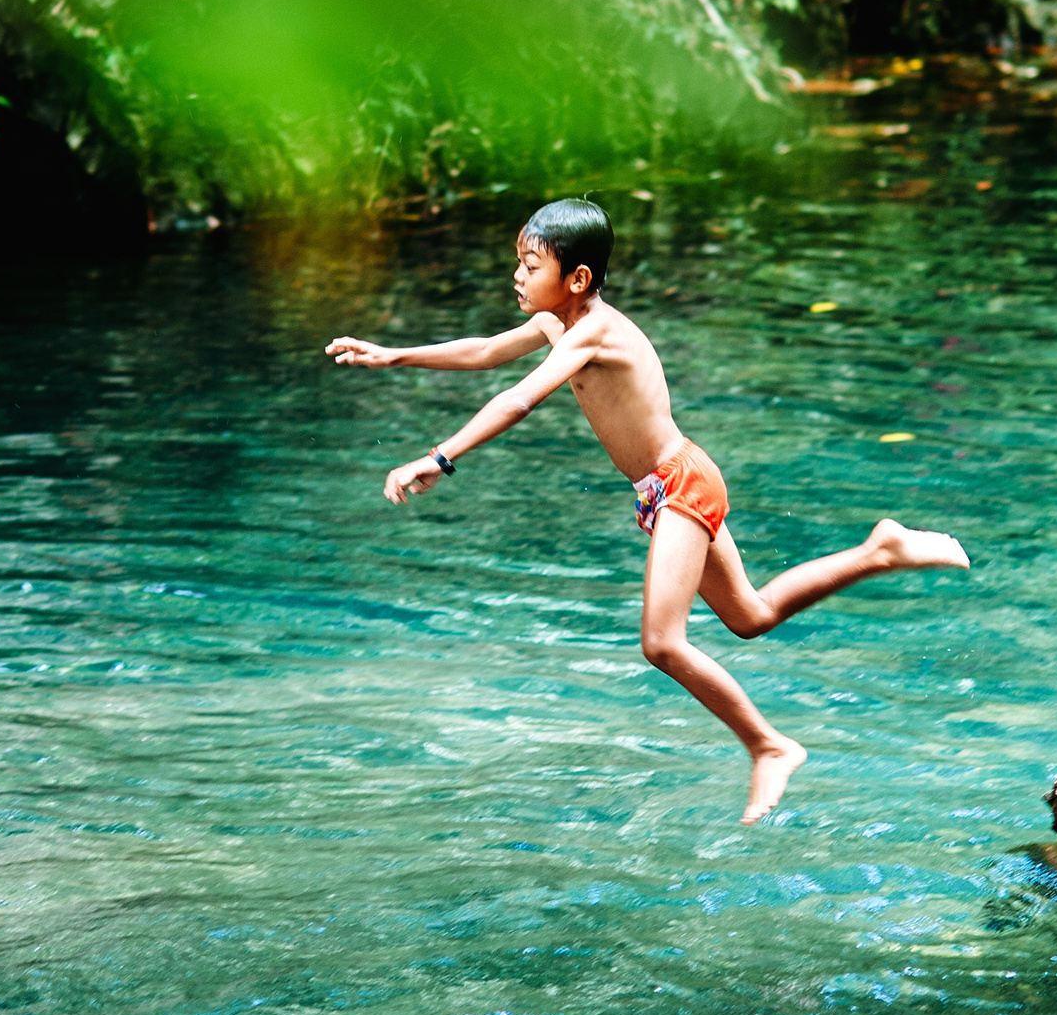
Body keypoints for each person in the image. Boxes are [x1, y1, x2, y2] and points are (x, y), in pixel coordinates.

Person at [325, 198, 969, 824]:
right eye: (518, 261)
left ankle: (769, 745)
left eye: (530, 265)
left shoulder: (596, 331)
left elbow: (519, 398)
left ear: (577, 279)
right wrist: (394, 354)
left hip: (681, 483)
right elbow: (487, 351)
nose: (516, 275)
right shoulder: (558, 323)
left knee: (662, 643)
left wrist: (439, 457)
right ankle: (881, 551)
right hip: (667, 488)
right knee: (750, 616)